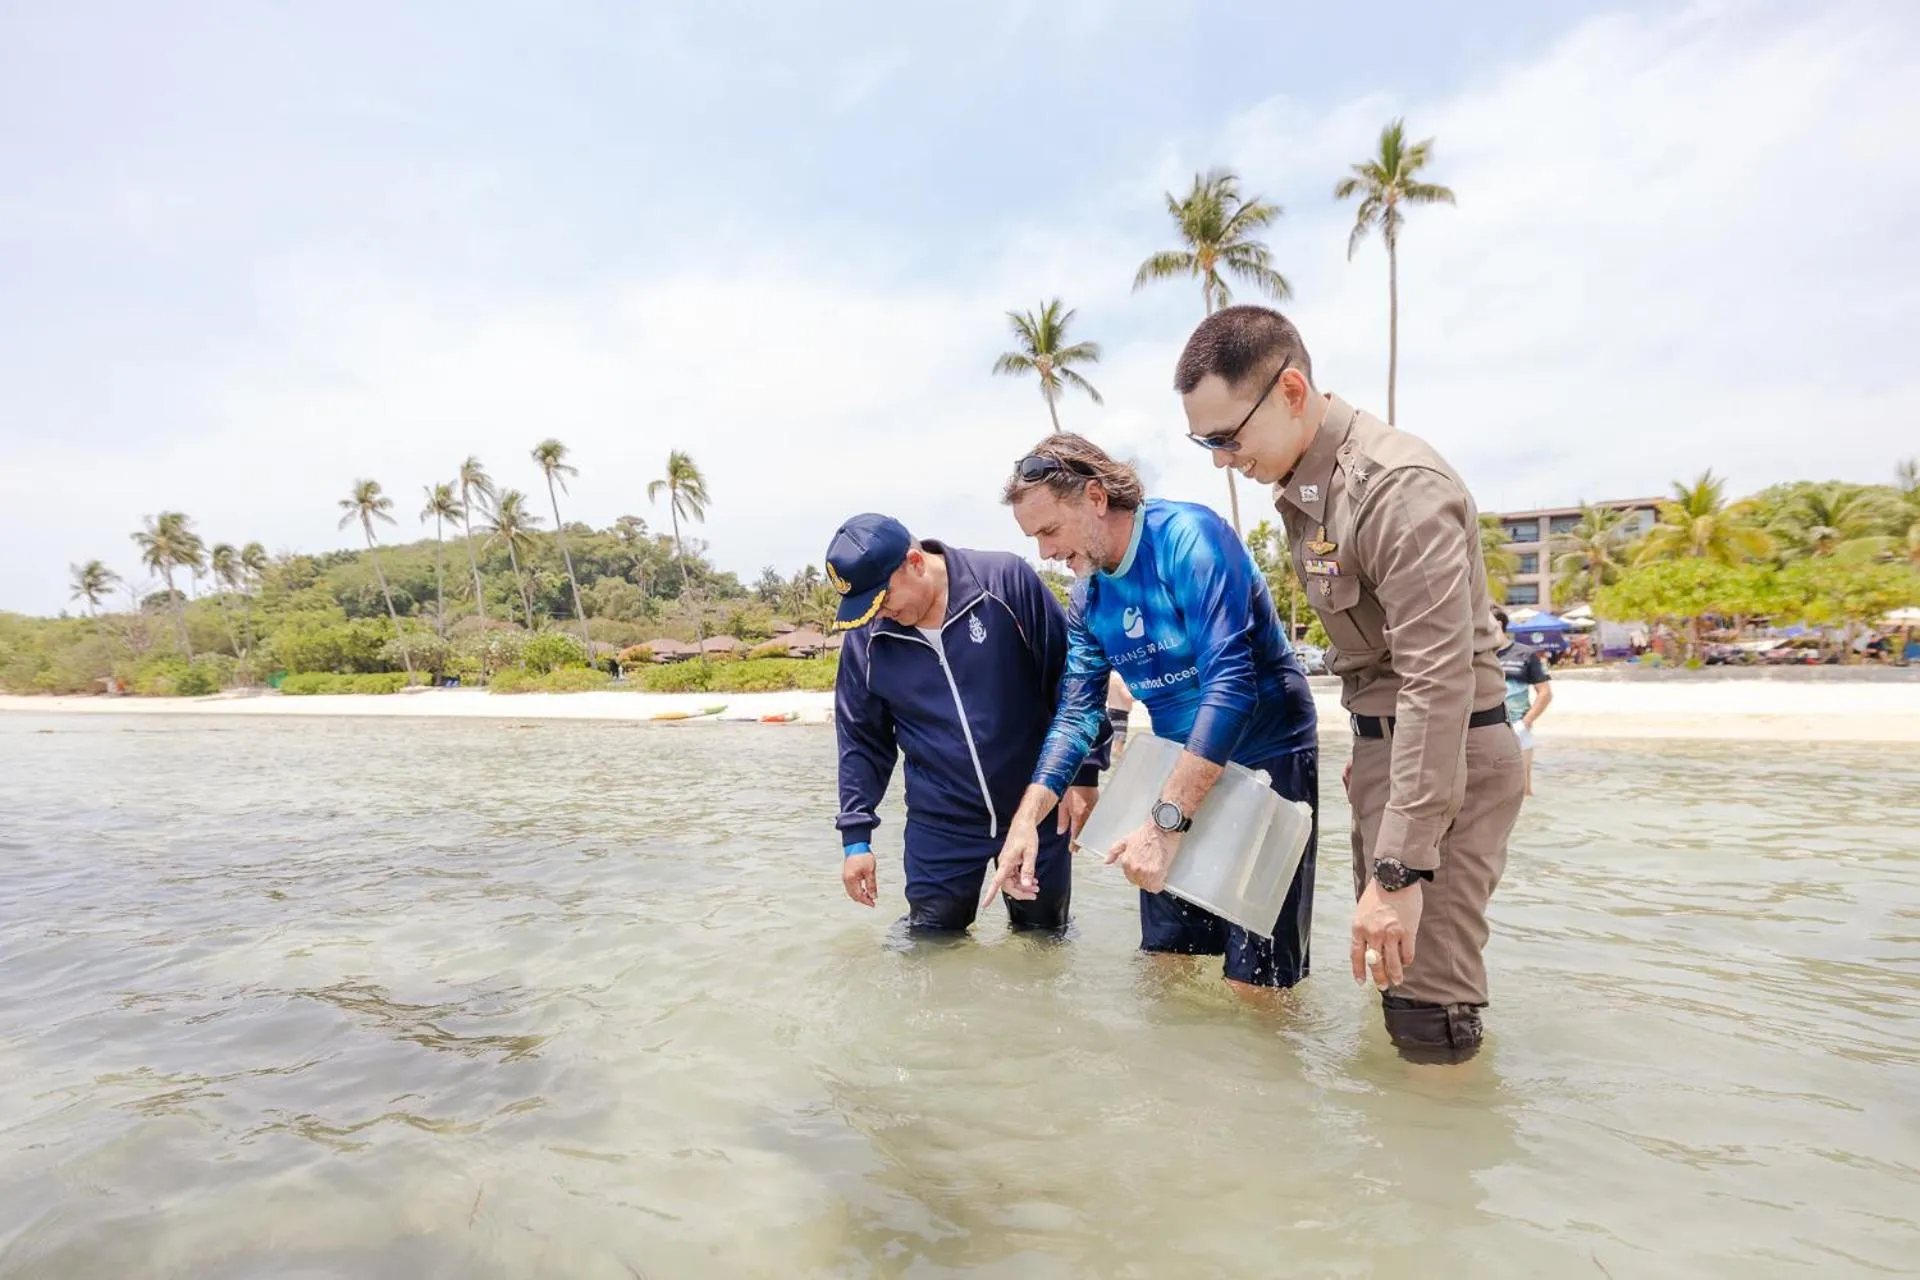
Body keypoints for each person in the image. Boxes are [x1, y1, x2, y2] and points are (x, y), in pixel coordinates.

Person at [1172, 304, 1525, 1064]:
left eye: (1228, 438)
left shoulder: (1396, 488)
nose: (1221, 460)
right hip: (1394, 758)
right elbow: (1379, 665)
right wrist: (1370, 755)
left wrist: (1399, 863)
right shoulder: (1310, 489)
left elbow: (1437, 682)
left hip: (1445, 756)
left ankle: (1443, 1169)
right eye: (1205, 443)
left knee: (1429, 1004)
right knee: (1392, 982)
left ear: (1292, 390)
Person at [985, 437, 1320, 990]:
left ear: (1095, 497)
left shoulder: (1190, 539)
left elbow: (1232, 687)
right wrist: (1024, 823)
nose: (1045, 553)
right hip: (1177, 764)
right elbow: (1076, 717)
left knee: (1254, 978)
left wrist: (1167, 823)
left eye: (1049, 531)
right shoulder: (1088, 597)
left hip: (1268, 756)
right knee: (1165, 961)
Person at [828, 513, 1107, 933]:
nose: (878, 615)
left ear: (915, 563)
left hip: (1036, 809)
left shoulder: (1004, 582)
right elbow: (860, 742)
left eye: (881, 600)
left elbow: (1071, 682)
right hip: (941, 826)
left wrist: (1083, 774)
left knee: (1044, 944)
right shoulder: (867, 639)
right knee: (930, 947)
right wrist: (856, 837)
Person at [1492, 606, 1553, 795]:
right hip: (1486, 726)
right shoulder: (1478, 655)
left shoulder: (1525, 653)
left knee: (1523, 788)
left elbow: (1545, 693)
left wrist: (1526, 723)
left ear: (1498, 624)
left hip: (1517, 726)